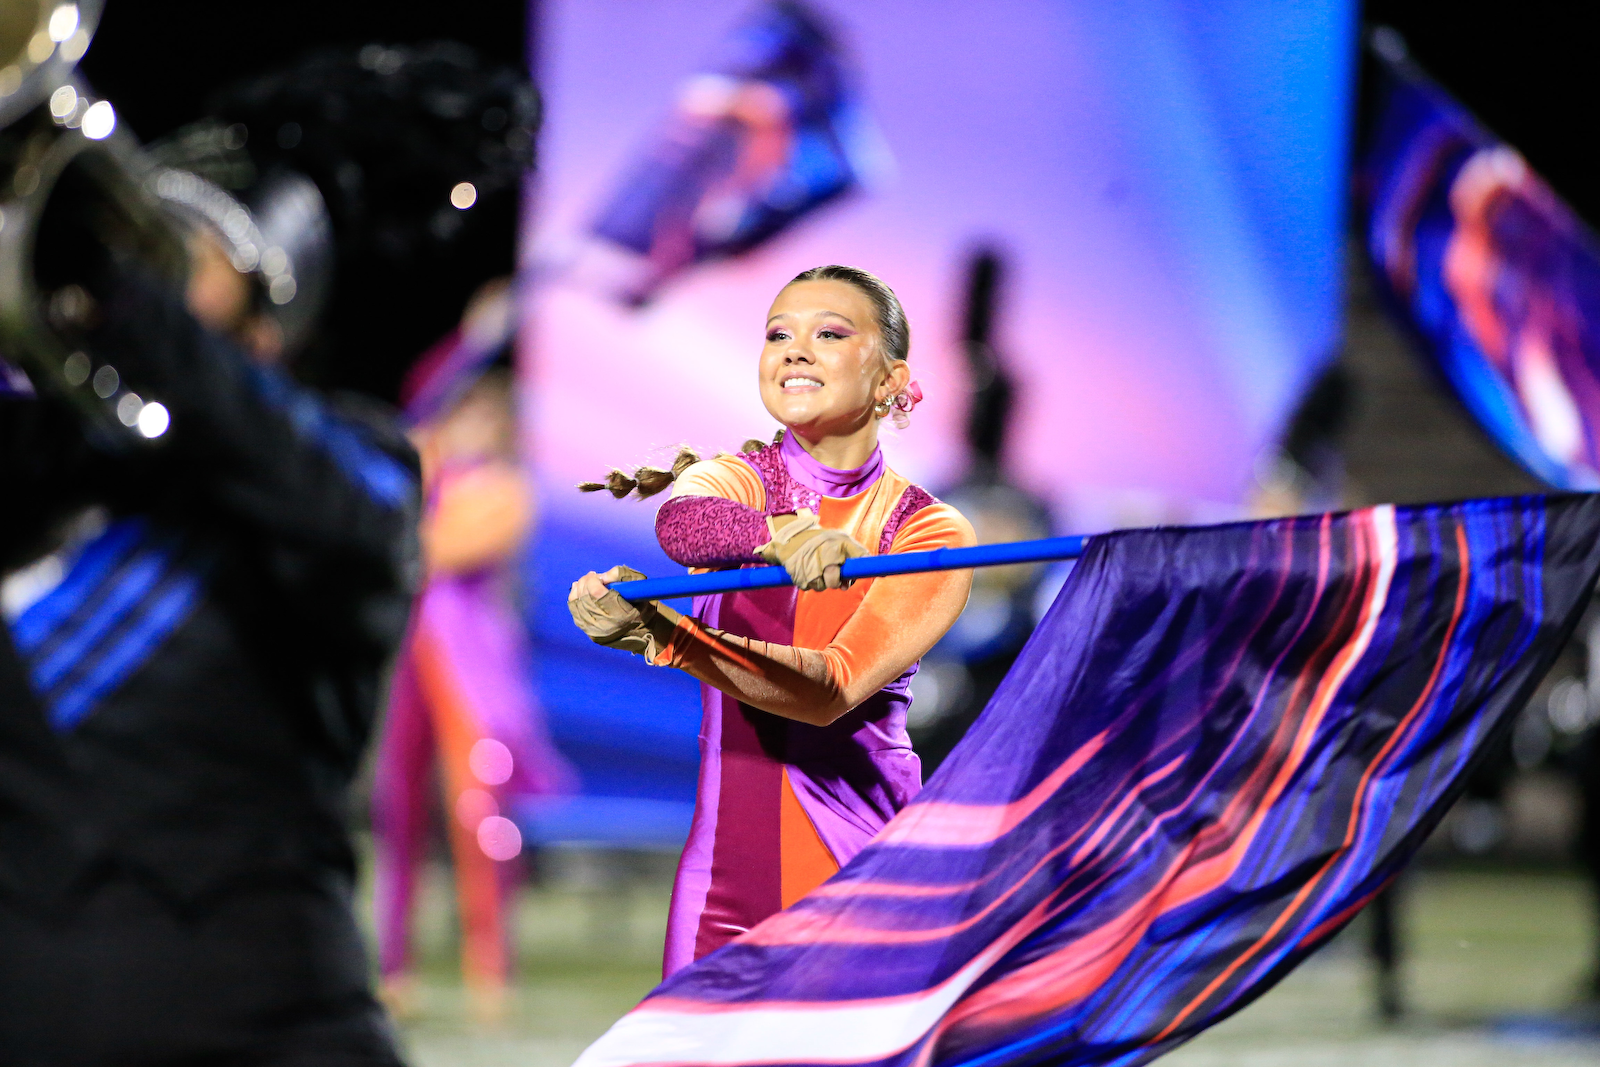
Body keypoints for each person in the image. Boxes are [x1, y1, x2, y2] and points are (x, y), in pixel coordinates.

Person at [0, 255, 418, 1065]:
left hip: (275, 1030)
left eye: (186, 260)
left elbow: (357, 529)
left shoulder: (351, 460)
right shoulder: (35, 469)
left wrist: (128, 301)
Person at [567, 264, 975, 976]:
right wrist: (779, 536)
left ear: (890, 379)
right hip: (721, 887)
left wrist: (666, 637)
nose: (794, 350)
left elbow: (828, 690)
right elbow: (684, 525)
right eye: (778, 334)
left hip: (865, 876)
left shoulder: (929, 531)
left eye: (830, 333)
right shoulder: (736, 479)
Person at [371, 285, 575, 1021]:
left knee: (480, 813)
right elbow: (420, 398)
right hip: (411, 662)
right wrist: (474, 338)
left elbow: (438, 551)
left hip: (469, 671)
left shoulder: (506, 492)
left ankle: (491, 965)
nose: (471, 428)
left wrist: (399, 539)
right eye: (466, 415)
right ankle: (395, 967)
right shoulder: (426, 470)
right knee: (398, 808)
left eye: (487, 418)